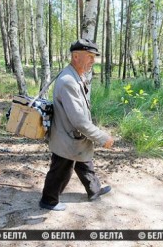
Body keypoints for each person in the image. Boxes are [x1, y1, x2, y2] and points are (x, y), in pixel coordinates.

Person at [39, 39, 114, 211]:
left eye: (94, 57)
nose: (93, 61)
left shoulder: (74, 74)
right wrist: (102, 138)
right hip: (67, 136)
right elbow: (79, 120)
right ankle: (48, 200)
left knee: (84, 160)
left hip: (73, 135)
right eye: (89, 56)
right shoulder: (68, 81)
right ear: (76, 56)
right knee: (61, 169)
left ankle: (94, 190)